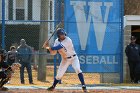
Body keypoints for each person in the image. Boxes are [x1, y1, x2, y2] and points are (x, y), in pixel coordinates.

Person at [43, 28, 87, 92]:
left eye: (63, 34)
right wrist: (49, 48)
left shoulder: (68, 40)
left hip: (73, 58)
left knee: (77, 68)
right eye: (61, 34)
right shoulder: (56, 41)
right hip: (65, 59)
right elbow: (53, 53)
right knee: (59, 75)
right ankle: (53, 87)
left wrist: (47, 47)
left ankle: (84, 86)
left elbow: (58, 47)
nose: (63, 35)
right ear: (58, 35)